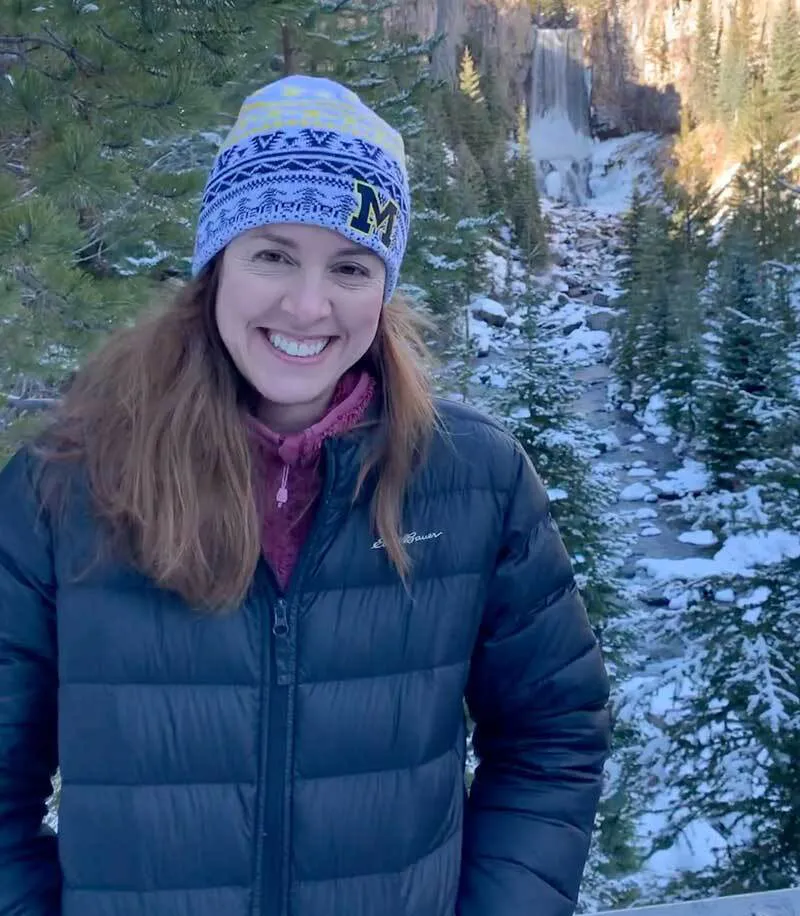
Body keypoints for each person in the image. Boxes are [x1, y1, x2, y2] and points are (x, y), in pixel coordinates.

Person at [0, 75, 611, 916]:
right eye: (273, 255)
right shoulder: (65, 487)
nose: (308, 305)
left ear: (383, 289)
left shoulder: (474, 479)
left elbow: (553, 733)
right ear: (217, 263)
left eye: (350, 266)